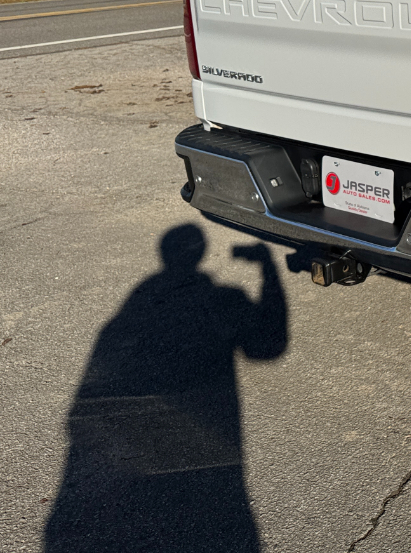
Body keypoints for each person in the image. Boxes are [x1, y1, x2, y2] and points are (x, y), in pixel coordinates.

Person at [45, 225, 287, 553]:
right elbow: (268, 346)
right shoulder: (224, 301)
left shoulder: (121, 323)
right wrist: (268, 268)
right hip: (208, 470)